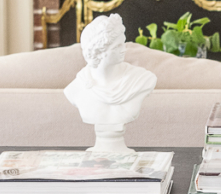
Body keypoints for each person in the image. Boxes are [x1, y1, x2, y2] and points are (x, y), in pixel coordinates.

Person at [64, 14, 157, 152]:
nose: (124, 49)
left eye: (123, 43)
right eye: (117, 46)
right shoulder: (76, 88)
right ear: (99, 51)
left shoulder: (142, 80)